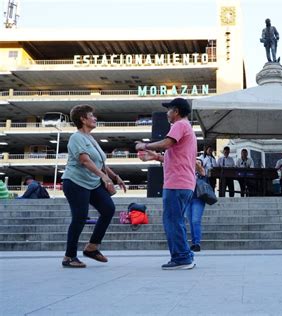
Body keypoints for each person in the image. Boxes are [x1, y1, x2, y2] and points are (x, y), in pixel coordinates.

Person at [61, 104, 126, 268]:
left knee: (108, 209)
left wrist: (115, 177)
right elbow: (85, 160)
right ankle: (69, 256)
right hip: (75, 182)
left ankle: (92, 247)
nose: (95, 118)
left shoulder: (90, 138)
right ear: (83, 119)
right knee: (80, 217)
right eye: (92, 115)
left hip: (92, 182)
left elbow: (100, 162)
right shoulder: (76, 137)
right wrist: (104, 177)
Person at [136, 97, 197, 270]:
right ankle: (185, 255)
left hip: (176, 184)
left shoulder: (179, 125)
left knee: (172, 221)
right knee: (177, 221)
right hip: (184, 183)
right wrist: (156, 157)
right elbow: (178, 158)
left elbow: (167, 143)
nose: (167, 113)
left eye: (169, 109)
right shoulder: (187, 128)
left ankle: (181, 258)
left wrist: (145, 145)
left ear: (176, 111)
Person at [185, 159, 207, 252]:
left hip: (198, 199)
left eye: (198, 163)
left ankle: (197, 243)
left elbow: (204, 178)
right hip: (188, 200)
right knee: (191, 221)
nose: (196, 164)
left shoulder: (202, 174)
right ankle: (194, 243)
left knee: (195, 221)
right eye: (195, 162)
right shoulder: (188, 173)